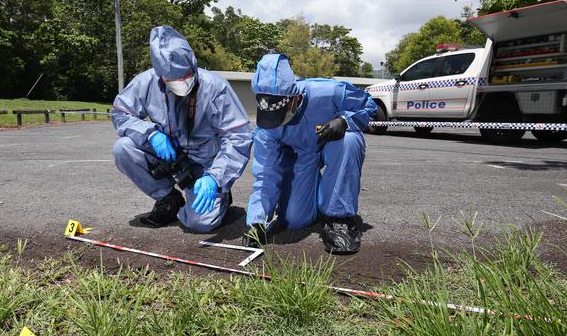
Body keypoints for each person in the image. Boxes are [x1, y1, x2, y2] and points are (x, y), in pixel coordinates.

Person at [111, 26, 252, 232]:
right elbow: (120, 113)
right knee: (123, 148)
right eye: (172, 81)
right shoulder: (146, 82)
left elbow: (238, 136)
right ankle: (168, 199)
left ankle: (220, 195)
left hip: (206, 165)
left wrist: (216, 177)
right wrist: (150, 134)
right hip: (171, 157)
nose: (180, 84)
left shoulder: (215, 87)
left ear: (192, 64)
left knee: (200, 223)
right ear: (160, 74)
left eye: (185, 77)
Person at [245, 53, 377, 254]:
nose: (276, 122)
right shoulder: (266, 129)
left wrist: (344, 121)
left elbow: (369, 105)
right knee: (294, 220)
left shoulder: (329, 92)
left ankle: (338, 218)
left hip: (332, 143)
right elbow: (266, 174)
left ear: (294, 98)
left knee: (349, 140)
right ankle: (318, 195)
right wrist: (257, 221)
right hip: (301, 157)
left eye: (279, 115)